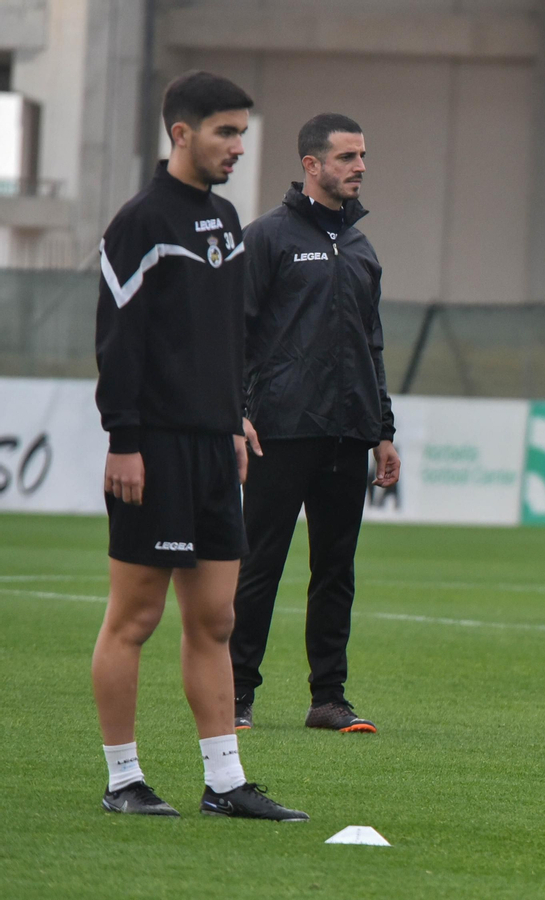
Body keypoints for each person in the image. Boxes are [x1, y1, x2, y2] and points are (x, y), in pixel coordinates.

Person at [93, 70, 306, 820]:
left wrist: (235, 416)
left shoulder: (223, 219)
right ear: (181, 133)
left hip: (217, 446)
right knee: (135, 619)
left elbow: (227, 338)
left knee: (216, 619)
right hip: (154, 448)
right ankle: (124, 779)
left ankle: (224, 785)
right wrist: (124, 439)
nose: (238, 146)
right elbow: (119, 340)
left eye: (243, 132)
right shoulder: (140, 221)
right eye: (225, 132)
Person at [229, 113, 398, 735]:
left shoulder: (361, 248)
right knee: (261, 564)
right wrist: (238, 412)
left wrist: (382, 429)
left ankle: (328, 698)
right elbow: (237, 336)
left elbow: (370, 345)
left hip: (348, 433)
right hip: (279, 431)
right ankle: (236, 694)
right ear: (311, 165)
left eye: (362, 156)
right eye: (348, 156)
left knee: (335, 569)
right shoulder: (267, 237)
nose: (359, 166)